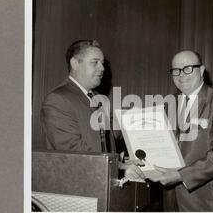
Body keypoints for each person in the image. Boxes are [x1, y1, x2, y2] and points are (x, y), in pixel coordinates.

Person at [148, 50, 213, 211]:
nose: (181, 75)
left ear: (202, 70)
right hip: (172, 198)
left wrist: (181, 175)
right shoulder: (168, 104)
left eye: (187, 68)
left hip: (210, 200)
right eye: (176, 70)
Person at [41, 39, 144, 180]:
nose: (102, 68)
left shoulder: (97, 98)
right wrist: (119, 167)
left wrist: (137, 120)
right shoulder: (58, 99)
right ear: (75, 64)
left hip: (101, 180)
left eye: (102, 63)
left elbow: (106, 140)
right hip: (78, 184)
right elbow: (73, 150)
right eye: (95, 62)